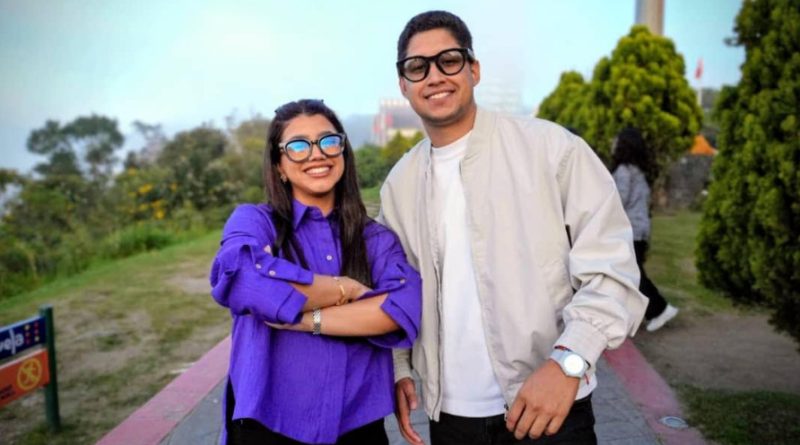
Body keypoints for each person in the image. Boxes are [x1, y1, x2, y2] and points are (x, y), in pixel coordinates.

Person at [379, 11, 648, 445]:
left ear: (474, 69)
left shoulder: (552, 150)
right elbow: (395, 285)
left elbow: (613, 269)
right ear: (403, 84)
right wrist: (399, 366)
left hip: (550, 407)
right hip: (450, 418)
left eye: (449, 60)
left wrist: (569, 362)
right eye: (417, 67)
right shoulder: (400, 183)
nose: (434, 76)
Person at [209, 99, 422, 445]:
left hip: (358, 426)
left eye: (328, 141)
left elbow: (401, 307)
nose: (317, 154)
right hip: (268, 426)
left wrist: (300, 317)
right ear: (278, 165)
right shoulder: (254, 222)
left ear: (343, 152)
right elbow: (241, 278)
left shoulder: (375, 239)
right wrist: (346, 290)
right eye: (297, 146)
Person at [611, 127, 679, 332]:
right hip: (639, 229)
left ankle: (660, 309)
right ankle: (638, 313)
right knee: (629, 274)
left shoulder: (624, 171)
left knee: (632, 275)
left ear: (624, 145)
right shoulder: (638, 171)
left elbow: (618, 201)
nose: (613, 143)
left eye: (616, 140)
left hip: (629, 230)